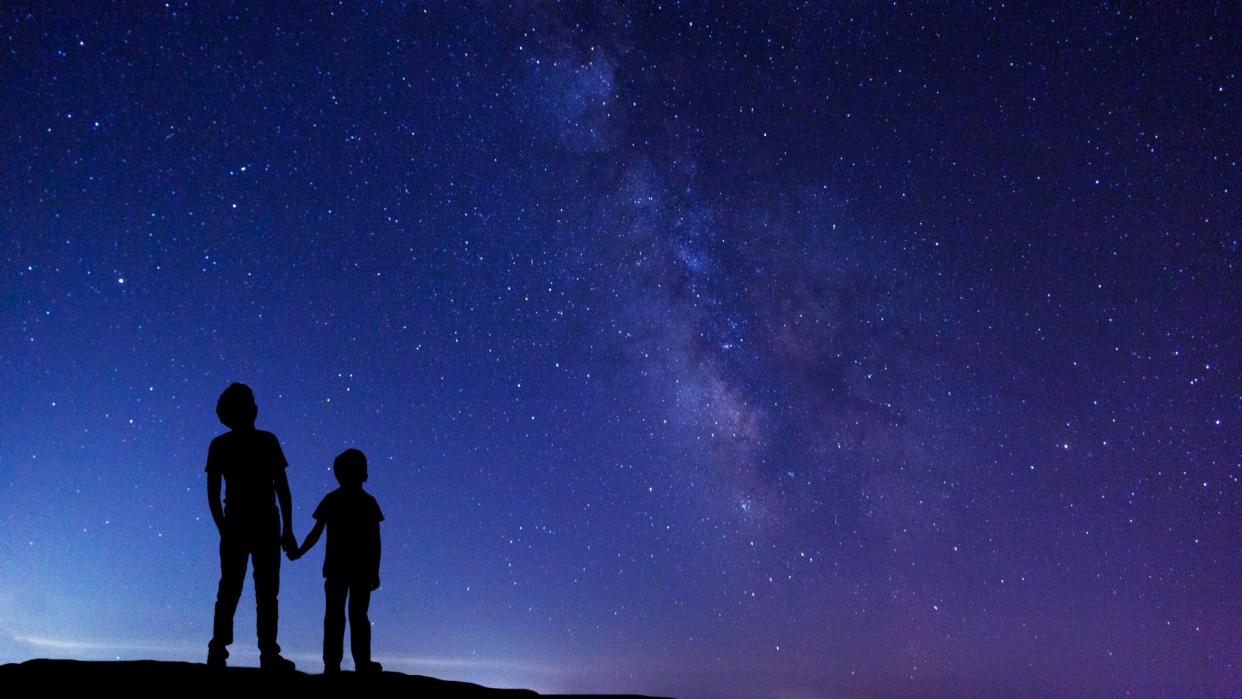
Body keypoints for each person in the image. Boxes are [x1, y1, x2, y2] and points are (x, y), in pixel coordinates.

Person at [205, 383, 298, 670]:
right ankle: (255, 651)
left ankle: (234, 650)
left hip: (253, 523)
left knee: (247, 589)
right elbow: (281, 488)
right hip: (255, 522)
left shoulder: (230, 444)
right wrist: (287, 529)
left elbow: (281, 488)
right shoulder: (255, 441)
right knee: (253, 590)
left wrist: (287, 528)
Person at [290, 448, 384, 674]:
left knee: (340, 615)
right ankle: (349, 662)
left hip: (342, 568)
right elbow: (375, 540)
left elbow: (317, 532)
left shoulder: (335, 500)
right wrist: (374, 570)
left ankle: (339, 663)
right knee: (351, 615)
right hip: (349, 568)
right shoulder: (365, 501)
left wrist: (300, 551)